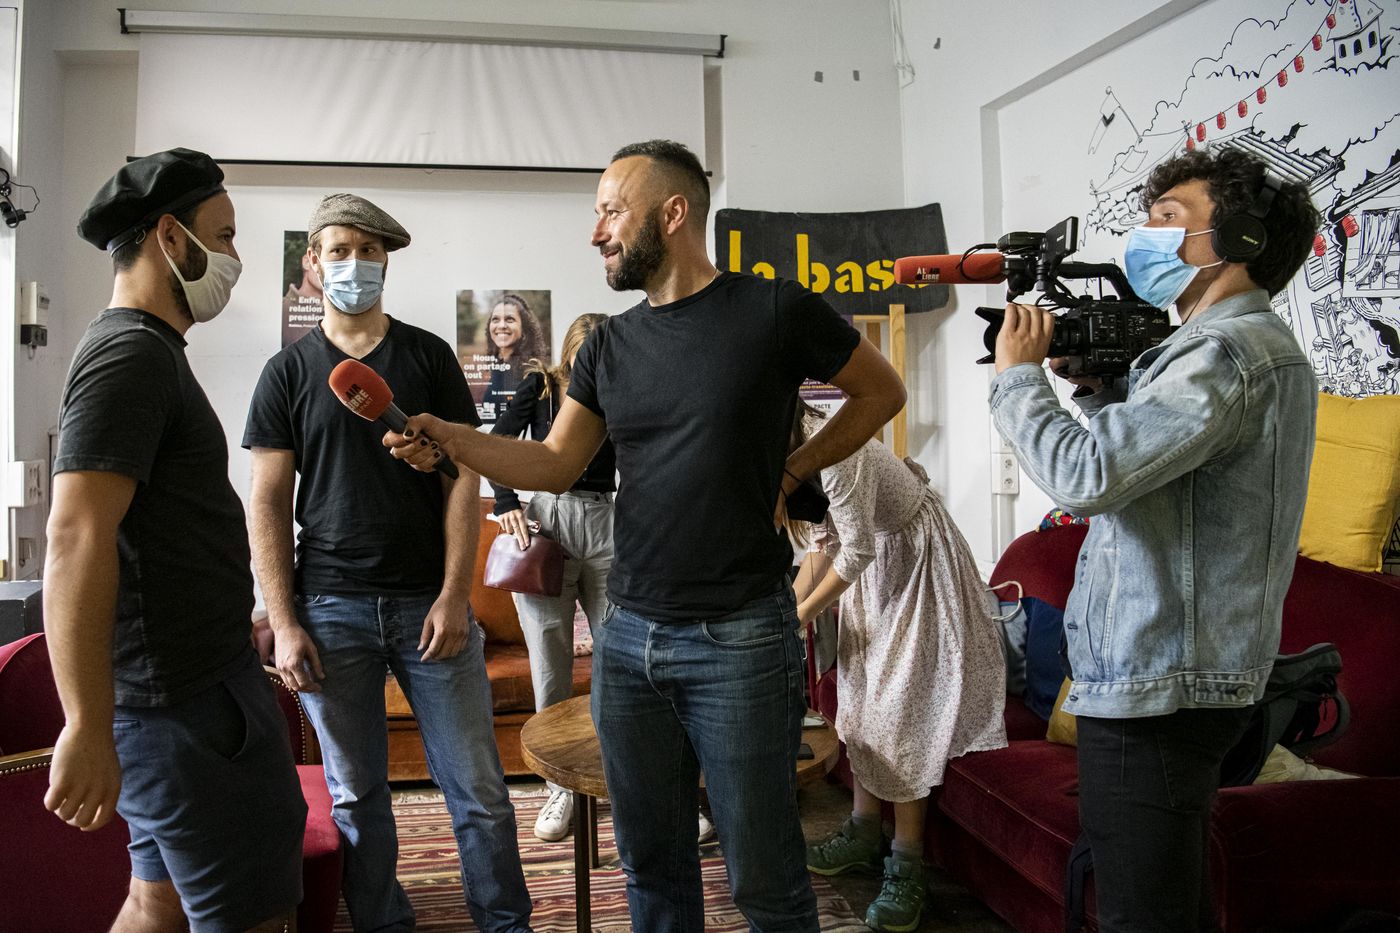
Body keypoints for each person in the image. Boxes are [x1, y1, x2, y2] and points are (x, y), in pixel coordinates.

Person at [385, 138, 907, 932]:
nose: (596, 231)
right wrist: (453, 437)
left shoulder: (773, 310)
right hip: (628, 639)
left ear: (673, 212)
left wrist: (794, 469)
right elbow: (555, 462)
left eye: (610, 211)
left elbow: (880, 391)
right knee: (652, 868)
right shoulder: (609, 345)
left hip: (741, 636)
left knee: (765, 878)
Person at [989, 147, 1320, 933]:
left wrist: (1017, 377)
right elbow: (1156, 481)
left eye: (1169, 218)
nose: (1146, 235)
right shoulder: (1230, 351)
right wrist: (1101, 392)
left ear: (1237, 239)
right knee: (1168, 907)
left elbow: (1086, 477)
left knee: (1143, 916)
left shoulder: (1225, 353)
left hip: (1163, 689)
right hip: (1171, 681)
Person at [243, 193, 533, 933]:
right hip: (328, 610)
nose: (354, 263)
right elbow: (268, 502)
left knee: (480, 792)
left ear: (386, 262)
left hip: (428, 605)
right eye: (339, 250)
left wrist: (453, 596)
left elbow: (463, 479)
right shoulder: (285, 372)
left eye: (368, 250)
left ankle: (506, 924)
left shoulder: (429, 356)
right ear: (313, 262)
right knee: (356, 796)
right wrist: (285, 621)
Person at [46, 148, 306, 932]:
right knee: (251, 915)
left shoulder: (148, 349)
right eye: (222, 236)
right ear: (169, 236)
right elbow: (75, 536)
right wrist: (85, 722)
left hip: (187, 696)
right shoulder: (129, 354)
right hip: (182, 711)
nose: (234, 257)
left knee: (153, 902)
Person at [793, 403, 1008, 932]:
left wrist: (799, 617)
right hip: (875, 569)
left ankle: (907, 866)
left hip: (916, 561)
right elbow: (823, 549)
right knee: (861, 698)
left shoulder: (833, 445)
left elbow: (854, 550)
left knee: (901, 708)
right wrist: (783, 613)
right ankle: (863, 833)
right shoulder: (796, 453)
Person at [489, 312, 618, 841]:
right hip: (548, 519)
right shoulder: (540, 387)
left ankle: (621, 779)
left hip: (607, 520)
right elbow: (498, 441)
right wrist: (504, 502)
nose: (591, 369)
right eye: (583, 359)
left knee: (622, 655)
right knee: (549, 659)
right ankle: (560, 788)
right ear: (568, 355)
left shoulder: (622, 389)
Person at [481, 293, 549, 420]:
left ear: (524, 329)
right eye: (495, 319)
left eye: (510, 319)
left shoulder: (530, 373)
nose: (501, 325)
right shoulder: (498, 366)